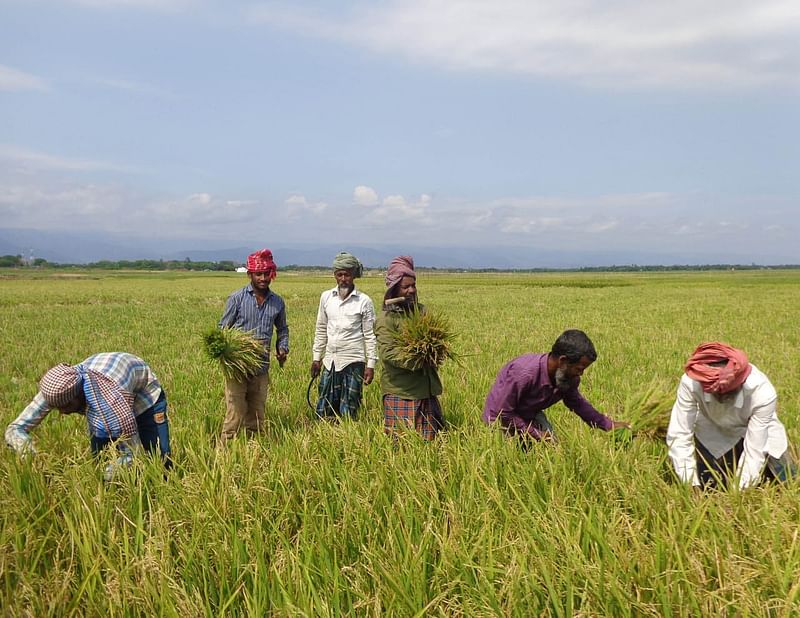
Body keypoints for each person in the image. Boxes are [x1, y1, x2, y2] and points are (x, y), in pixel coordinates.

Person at [5, 352, 172, 480]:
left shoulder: (109, 407)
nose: (62, 412)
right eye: (56, 408)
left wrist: (104, 476)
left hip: (145, 398)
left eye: (66, 407)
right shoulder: (57, 388)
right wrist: (27, 452)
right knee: (99, 457)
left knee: (159, 454)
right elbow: (16, 428)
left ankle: (163, 486)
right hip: (112, 380)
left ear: (80, 395)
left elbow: (132, 455)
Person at [666, 342, 796, 490]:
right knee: (708, 485)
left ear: (740, 382)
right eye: (716, 393)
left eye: (727, 392)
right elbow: (680, 434)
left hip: (754, 430)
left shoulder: (762, 393)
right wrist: (690, 484)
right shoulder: (691, 382)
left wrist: (739, 493)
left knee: (786, 482)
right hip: (712, 427)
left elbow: (754, 451)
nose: (722, 397)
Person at [482, 329, 628, 446]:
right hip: (500, 420)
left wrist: (609, 425)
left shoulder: (568, 378)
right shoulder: (524, 373)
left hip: (529, 414)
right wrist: (536, 434)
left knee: (553, 449)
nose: (581, 374)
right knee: (512, 455)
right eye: (579, 368)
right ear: (563, 361)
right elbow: (504, 413)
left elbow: (578, 404)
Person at [219, 249, 289, 440]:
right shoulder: (237, 299)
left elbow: (282, 330)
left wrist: (282, 348)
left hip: (261, 367)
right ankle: (224, 453)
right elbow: (222, 330)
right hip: (238, 369)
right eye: (258, 274)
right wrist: (229, 352)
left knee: (257, 414)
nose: (263, 278)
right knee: (235, 412)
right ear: (250, 274)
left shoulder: (277, 302)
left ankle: (253, 450)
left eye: (267, 274)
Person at [374, 255, 444, 440]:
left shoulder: (421, 311)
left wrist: (437, 352)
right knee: (402, 445)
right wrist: (419, 359)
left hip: (426, 389)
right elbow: (388, 353)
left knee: (430, 444)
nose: (411, 290)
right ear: (394, 288)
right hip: (401, 392)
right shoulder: (386, 319)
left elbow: (433, 338)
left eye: (413, 285)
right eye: (406, 287)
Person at [310, 252, 378, 420]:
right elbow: (321, 328)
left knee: (349, 408)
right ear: (334, 275)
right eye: (339, 274)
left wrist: (370, 365)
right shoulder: (326, 297)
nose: (343, 279)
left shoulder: (364, 301)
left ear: (354, 275)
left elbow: (370, 335)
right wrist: (317, 358)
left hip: (353, 361)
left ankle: (348, 438)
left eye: (347, 274)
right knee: (325, 405)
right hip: (330, 360)